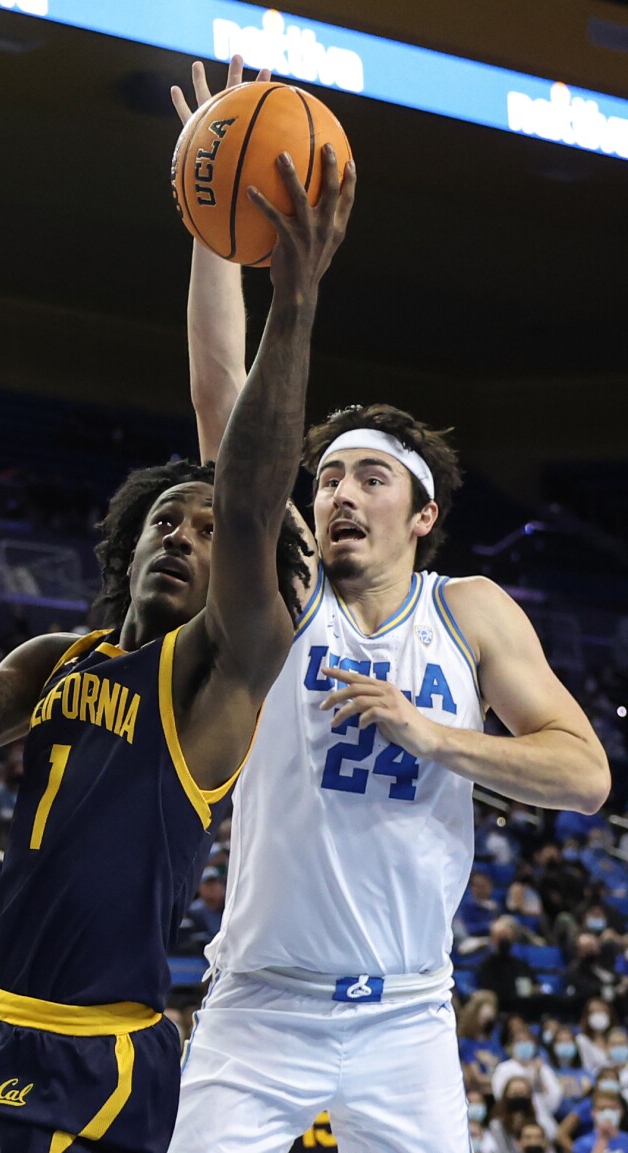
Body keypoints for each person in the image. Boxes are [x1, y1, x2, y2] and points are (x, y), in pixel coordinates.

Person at [0, 149, 353, 1152]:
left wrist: (293, 300)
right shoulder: (57, 660)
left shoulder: (220, 674)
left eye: (204, 530)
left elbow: (247, 493)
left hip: (99, 1059)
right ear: (128, 540)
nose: (184, 534)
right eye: (167, 519)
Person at [167, 55, 610, 1153]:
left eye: (369, 478)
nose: (339, 492)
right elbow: (225, 404)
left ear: (423, 516)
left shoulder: (469, 611)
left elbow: (586, 774)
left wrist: (434, 733)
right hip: (260, 1006)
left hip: (408, 1012)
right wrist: (213, 225)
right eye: (327, 478)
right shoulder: (289, 587)